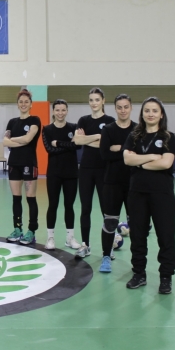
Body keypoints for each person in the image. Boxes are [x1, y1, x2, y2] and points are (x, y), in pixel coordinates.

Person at [123, 97, 175, 295]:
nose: (151, 114)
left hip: (162, 194)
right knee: (137, 236)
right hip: (137, 193)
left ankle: (166, 277)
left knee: (165, 236)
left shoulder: (169, 137)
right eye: (147, 110)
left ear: (161, 114)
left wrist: (139, 162)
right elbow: (127, 159)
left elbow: (166, 163)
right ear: (142, 114)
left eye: (155, 110)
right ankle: (139, 273)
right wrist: (152, 157)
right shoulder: (134, 136)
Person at [72, 87, 116, 258]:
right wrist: (98, 136)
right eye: (91, 100)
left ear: (103, 101)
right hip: (86, 169)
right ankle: (85, 245)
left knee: (106, 210)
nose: (94, 103)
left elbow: (107, 145)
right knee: (85, 208)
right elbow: (77, 140)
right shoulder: (83, 120)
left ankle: (109, 247)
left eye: (97, 100)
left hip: (104, 170)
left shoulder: (110, 121)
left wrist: (87, 139)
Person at [98, 94, 137, 273]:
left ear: (131, 107)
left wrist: (118, 148)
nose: (123, 110)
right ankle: (106, 257)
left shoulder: (137, 130)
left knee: (136, 223)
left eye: (126, 107)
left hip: (133, 183)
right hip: (112, 183)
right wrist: (127, 151)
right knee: (110, 222)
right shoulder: (108, 129)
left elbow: (139, 154)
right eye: (119, 107)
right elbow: (104, 154)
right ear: (115, 108)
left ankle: (137, 261)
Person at [41, 99, 81, 250]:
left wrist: (58, 143)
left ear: (67, 111)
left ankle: (70, 238)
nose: (60, 113)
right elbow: (49, 150)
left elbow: (77, 145)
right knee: (53, 205)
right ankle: (50, 237)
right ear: (53, 111)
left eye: (63, 110)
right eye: (57, 110)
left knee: (69, 206)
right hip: (54, 173)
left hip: (71, 173)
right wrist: (69, 145)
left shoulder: (74, 127)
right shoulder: (47, 129)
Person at [3, 89, 41, 245]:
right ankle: (17, 228)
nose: (23, 104)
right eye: (21, 102)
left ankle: (31, 231)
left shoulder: (35, 120)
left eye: (26, 102)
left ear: (31, 104)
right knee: (16, 198)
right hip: (14, 163)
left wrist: (13, 140)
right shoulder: (12, 122)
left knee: (30, 198)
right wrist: (21, 140)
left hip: (29, 163)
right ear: (17, 104)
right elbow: (5, 141)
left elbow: (28, 139)